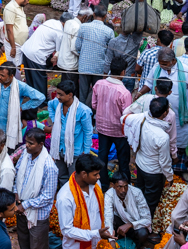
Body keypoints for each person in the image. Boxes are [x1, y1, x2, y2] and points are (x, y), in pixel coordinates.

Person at [14, 128, 58, 249]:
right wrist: (16, 194)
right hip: (21, 209)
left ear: (41, 144)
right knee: (24, 242)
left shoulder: (49, 166)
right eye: (26, 142)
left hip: (37, 215)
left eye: (31, 143)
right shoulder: (25, 156)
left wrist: (25, 204)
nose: (27, 146)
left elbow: (47, 197)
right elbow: (17, 173)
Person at [124, 96, 174, 218]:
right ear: (165, 113)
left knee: (140, 194)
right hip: (153, 173)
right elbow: (164, 161)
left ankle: (135, 217)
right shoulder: (162, 136)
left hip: (140, 166)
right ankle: (143, 226)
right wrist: (169, 176)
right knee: (150, 202)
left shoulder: (142, 120)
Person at [92, 55, 132, 190]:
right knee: (123, 160)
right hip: (119, 132)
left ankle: (103, 184)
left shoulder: (99, 84)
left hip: (102, 128)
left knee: (102, 156)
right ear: (123, 72)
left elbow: (94, 104)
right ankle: (125, 185)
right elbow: (126, 117)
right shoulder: (124, 93)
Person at [0, 63, 45, 151]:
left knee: (9, 151)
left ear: (11, 76)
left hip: (11, 126)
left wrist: (22, 107)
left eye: (2, 75)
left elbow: (40, 97)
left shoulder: (21, 86)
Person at [139, 46, 188, 153]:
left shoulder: (185, 70)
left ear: (173, 61)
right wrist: (139, 93)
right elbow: (149, 82)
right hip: (159, 112)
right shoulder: (157, 67)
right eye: (160, 63)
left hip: (179, 114)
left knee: (176, 140)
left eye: (164, 64)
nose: (161, 66)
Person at [48, 80, 92, 187]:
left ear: (70, 95)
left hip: (75, 152)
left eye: (60, 95)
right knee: (62, 176)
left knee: (74, 177)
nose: (57, 97)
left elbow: (88, 132)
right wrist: (55, 120)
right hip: (59, 149)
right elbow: (50, 106)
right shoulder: (56, 104)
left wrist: (86, 151)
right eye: (57, 93)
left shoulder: (83, 110)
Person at [75, 4, 114, 106]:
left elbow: (77, 46)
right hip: (99, 68)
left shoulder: (83, 27)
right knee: (97, 94)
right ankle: (93, 115)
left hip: (84, 65)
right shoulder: (109, 31)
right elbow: (110, 52)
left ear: (93, 14)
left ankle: (83, 114)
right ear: (105, 16)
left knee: (83, 93)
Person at [104, 172, 152, 249]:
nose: (123, 190)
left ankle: (137, 246)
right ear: (113, 186)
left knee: (142, 233)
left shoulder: (136, 193)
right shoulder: (109, 195)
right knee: (107, 225)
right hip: (120, 224)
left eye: (126, 186)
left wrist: (130, 224)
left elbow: (147, 220)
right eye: (120, 187)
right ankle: (117, 241)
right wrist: (111, 241)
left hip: (135, 226)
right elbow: (108, 217)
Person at [22, 16, 64, 99]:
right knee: (40, 79)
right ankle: (41, 101)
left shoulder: (51, 21)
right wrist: (55, 57)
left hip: (26, 50)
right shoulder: (60, 32)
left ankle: (32, 96)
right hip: (37, 54)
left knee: (30, 77)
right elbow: (59, 50)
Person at [57, 9, 90, 90]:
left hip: (64, 59)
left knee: (64, 85)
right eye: (89, 18)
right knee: (69, 88)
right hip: (70, 63)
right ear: (85, 17)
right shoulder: (78, 27)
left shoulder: (69, 22)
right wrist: (82, 55)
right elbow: (74, 48)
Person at [2, 0, 32, 73]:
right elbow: (9, 29)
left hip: (19, 44)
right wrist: (13, 47)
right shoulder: (11, 8)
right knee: (13, 68)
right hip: (14, 44)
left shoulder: (20, 6)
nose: (28, 2)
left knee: (18, 66)